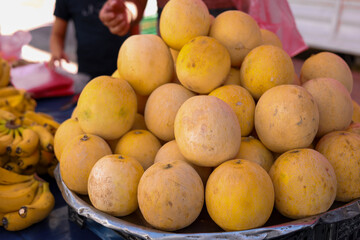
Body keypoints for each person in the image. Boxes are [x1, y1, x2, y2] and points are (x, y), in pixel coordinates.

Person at [49, 0, 147, 79]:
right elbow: (57, 34)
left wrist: (127, 14)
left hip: (123, 72)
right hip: (86, 74)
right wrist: (57, 52)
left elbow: (135, 24)